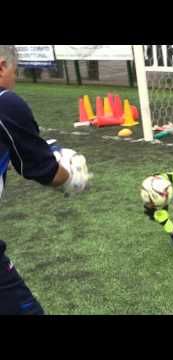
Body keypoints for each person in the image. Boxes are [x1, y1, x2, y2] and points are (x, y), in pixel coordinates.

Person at [0, 46, 91, 315]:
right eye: (15, 72)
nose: (14, 80)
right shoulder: (5, 102)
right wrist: (74, 176)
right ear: (2, 66)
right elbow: (46, 172)